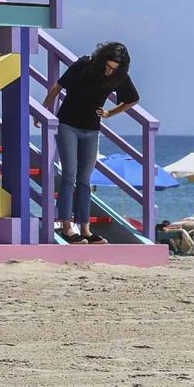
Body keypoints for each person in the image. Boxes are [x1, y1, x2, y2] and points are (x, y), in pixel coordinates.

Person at [42, 40, 140, 244]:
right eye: (108, 65)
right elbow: (58, 87)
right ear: (102, 59)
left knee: (85, 180)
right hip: (68, 124)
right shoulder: (85, 64)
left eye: (114, 68)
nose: (109, 71)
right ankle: (67, 227)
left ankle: (85, 229)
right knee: (69, 175)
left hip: (92, 129)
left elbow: (132, 99)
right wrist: (44, 111)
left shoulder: (119, 76)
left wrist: (109, 113)